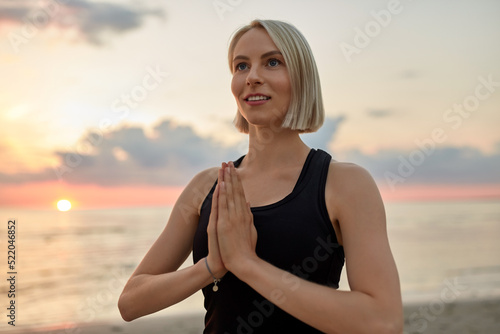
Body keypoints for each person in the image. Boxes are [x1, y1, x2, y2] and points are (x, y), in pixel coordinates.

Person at [118, 19, 403, 333]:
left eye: (272, 62)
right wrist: (211, 267)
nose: (252, 77)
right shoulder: (206, 187)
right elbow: (131, 302)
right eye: (241, 66)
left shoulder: (345, 184)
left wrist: (247, 264)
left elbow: (382, 321)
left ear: (301, 78)